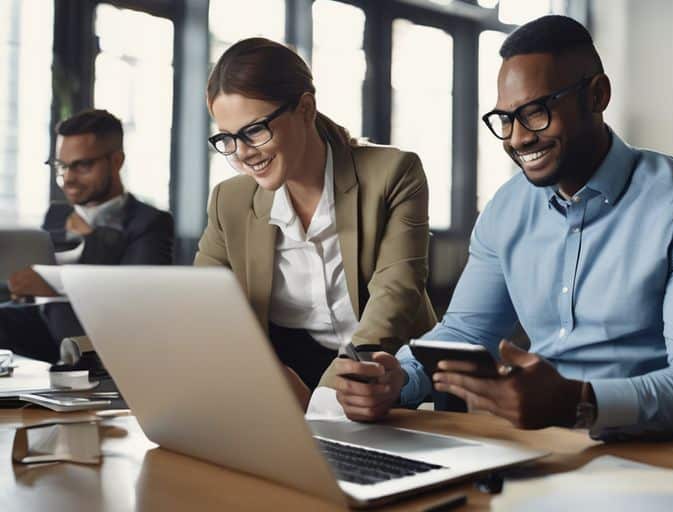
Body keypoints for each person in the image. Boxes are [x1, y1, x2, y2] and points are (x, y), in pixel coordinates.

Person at [330, 16, 673, 439]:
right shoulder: (507, 209)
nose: (517, 138)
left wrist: (581, 403)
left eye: (535, 112)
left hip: (672, 455)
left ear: (597, 95)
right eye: (506, 119)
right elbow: (464, 333)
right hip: (547, 446)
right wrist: (397, 378)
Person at [196, 38, 436, 398]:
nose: (242, 153)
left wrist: (322, 402)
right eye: (228, 138)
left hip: (387, 375)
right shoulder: (229, 200)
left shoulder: (394, 174)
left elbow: (395, 297)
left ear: (306, 109)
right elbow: (203, 306)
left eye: (254, 131)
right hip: (281, 380)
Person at [0, 109, 174, 362]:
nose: (68, 178)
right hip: (44, 330)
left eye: (82, 165)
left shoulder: (151, 222)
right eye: (62, 166)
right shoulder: (57, 216)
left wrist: (93, 240)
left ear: (116, 162)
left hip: (104, 340)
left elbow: (136, 295)